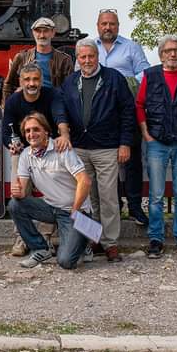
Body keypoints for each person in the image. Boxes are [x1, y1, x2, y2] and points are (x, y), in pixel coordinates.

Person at [53, 38, 135, 263]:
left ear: (97, 56)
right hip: (79, 147)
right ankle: (92, 240)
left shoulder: (114, 79)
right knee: (87, 198)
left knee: (108, 197)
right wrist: (64, 130)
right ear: (77, 59)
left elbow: (128, 111)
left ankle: (110, 243)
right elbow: (60, 107)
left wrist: (125, 142)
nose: (87, 60)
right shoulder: (70, 82)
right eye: (83, 57)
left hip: (107, 147)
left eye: (91, 56)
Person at [137, 34, 177, 260]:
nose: (172, 54)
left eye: (176, 50)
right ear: (161, 53)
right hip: (157, 141)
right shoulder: (150, 75)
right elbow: (140, 104)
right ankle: (156, 238)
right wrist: (145, 132)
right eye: (168, 51)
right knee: (156, 194)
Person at [9, 113, 93, 270]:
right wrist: (16, 191)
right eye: (27, 131)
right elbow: (22, 193)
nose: (31, 134)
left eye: (36, 129)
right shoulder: (26, 154)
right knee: (15, 204)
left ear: (46, 131)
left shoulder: (61, 148)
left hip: (74, 210)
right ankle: (41, 248)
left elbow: (85, 181)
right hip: (51, 208)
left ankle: (84, 238)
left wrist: (75, 211)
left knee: (66, 262)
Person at [1, 62, 64, 256]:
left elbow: (60, 116)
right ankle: (22, 237)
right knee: (18, 193)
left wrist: (63, 135)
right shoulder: (13, 100)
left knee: (52, 191)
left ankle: (46, 236)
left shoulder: (52, 95)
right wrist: (11, 144)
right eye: (27, 79)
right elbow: (5, 130)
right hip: (22, 151)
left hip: (48, 149)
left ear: (41, 80)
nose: (31, 83)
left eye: (35, 79)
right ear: (20, 81)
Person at [95, 8, 150, 225]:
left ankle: (135, 206)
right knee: (108, 162)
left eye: (112, 24)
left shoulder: (131, 47)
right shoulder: (90, 48)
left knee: (132, 161)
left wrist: (123, 83)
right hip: (102, 115)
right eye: (104, 24)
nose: (108, 27)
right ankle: (115, 206)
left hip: (127, 110)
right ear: (98, 26)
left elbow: (144, 72)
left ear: (118, 26)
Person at [1, 17, 73, 103]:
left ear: (53, 33)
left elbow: (70, 89)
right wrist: (5, 108)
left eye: (46, 31)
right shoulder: (21, 57)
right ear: (33, 33)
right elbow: (8, 84)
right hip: (27, 101)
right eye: (38, 31)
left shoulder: (64, 60)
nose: (42, 35)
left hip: (52, 102)